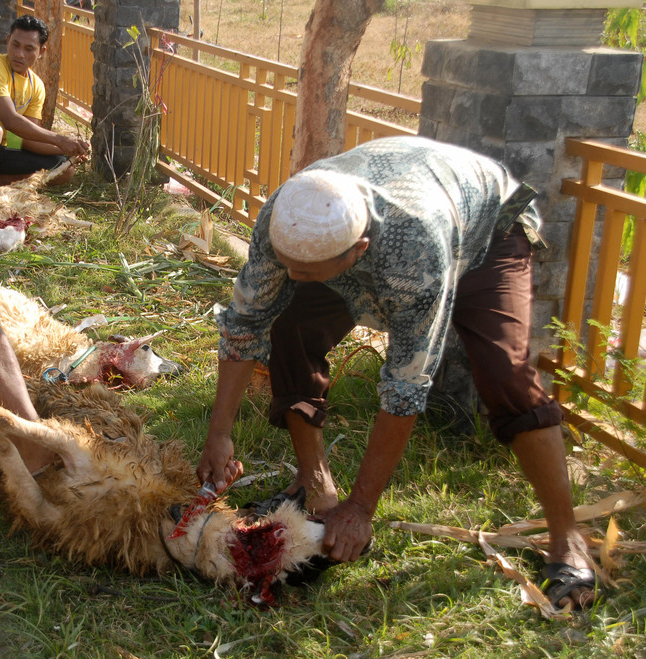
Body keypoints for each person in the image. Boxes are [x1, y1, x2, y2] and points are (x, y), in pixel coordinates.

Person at [196, 136, 600, 610]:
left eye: (308, 272)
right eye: (290, 267)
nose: (295, 276)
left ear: (357, 250)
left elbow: (405, 384)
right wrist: (219, 433)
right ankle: (314, 483)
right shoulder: (288, 217)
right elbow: (246, 324)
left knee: (504, 371)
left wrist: (363, 507)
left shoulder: (415, 251)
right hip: (396, 206)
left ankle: (566, 536)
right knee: (291, 324)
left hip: (484, 230)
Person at [0, 15, 89, 191]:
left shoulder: (36, 85)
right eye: (15, 45)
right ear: (8, 41)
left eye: (29, 48)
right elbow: (10, 120)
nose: (19, 54)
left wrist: (69, 150)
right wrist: (60, 140)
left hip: (2, 150)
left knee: (65, 168)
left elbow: (26, 140)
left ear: (42, 52)